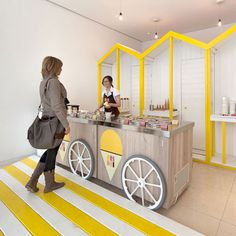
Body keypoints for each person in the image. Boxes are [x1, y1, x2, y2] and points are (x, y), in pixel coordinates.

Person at [25, 56, 70, 193]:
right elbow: (57, 106)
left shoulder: (43, 82)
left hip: (47, 119)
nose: (61, 69)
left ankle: (33, 181)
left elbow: (48, 104)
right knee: (52, 151)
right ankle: (48, 183)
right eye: (60, 66)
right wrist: (66, 124)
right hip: (56, 122)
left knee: (51, 150)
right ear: (54, 67)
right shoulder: (54, 82)